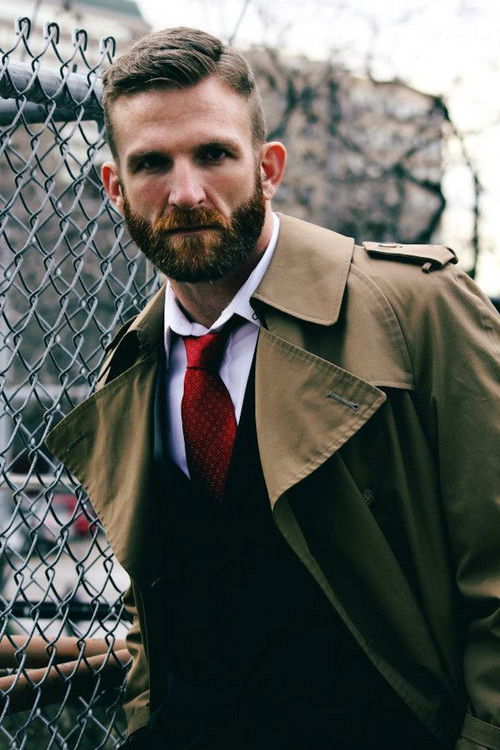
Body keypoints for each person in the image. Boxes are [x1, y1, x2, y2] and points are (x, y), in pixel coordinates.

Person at [45, 27, 499, 750]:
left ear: (268, 169)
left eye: (214, 155)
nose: (186, 192)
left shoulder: (419, 312)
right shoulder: (132, 363)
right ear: (115, 187)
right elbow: (157, 597)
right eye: (152, 163)